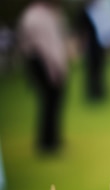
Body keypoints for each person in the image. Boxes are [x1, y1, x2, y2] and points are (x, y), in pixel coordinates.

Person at [16, 0, 69, 154]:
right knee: (50, 102)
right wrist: (55, 67)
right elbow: (45, 46)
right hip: (44, 62)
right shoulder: (38, 17)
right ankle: (48, 142)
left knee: (50, 103)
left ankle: (50, 139)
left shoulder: (36, 14)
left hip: (41, 62)